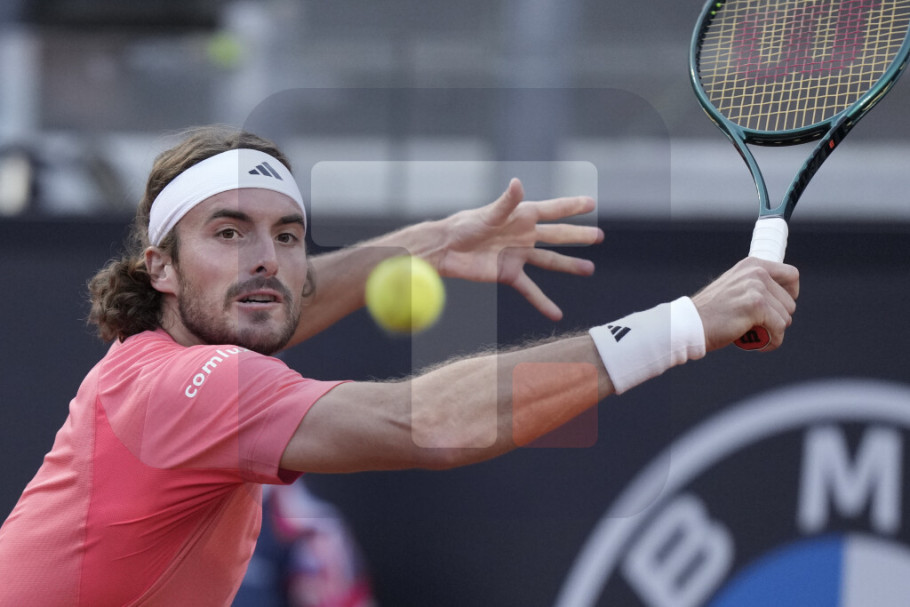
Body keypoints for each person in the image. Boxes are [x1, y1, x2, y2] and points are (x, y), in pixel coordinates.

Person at [0, 125, 799, 605]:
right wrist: (688, 323)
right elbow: (432, 423)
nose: (266, 257)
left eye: (287, 234)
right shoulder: (184, 389)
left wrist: (431, 242)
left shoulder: (158, 354)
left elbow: (274, 296)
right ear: (161, 269)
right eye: (229, 231)